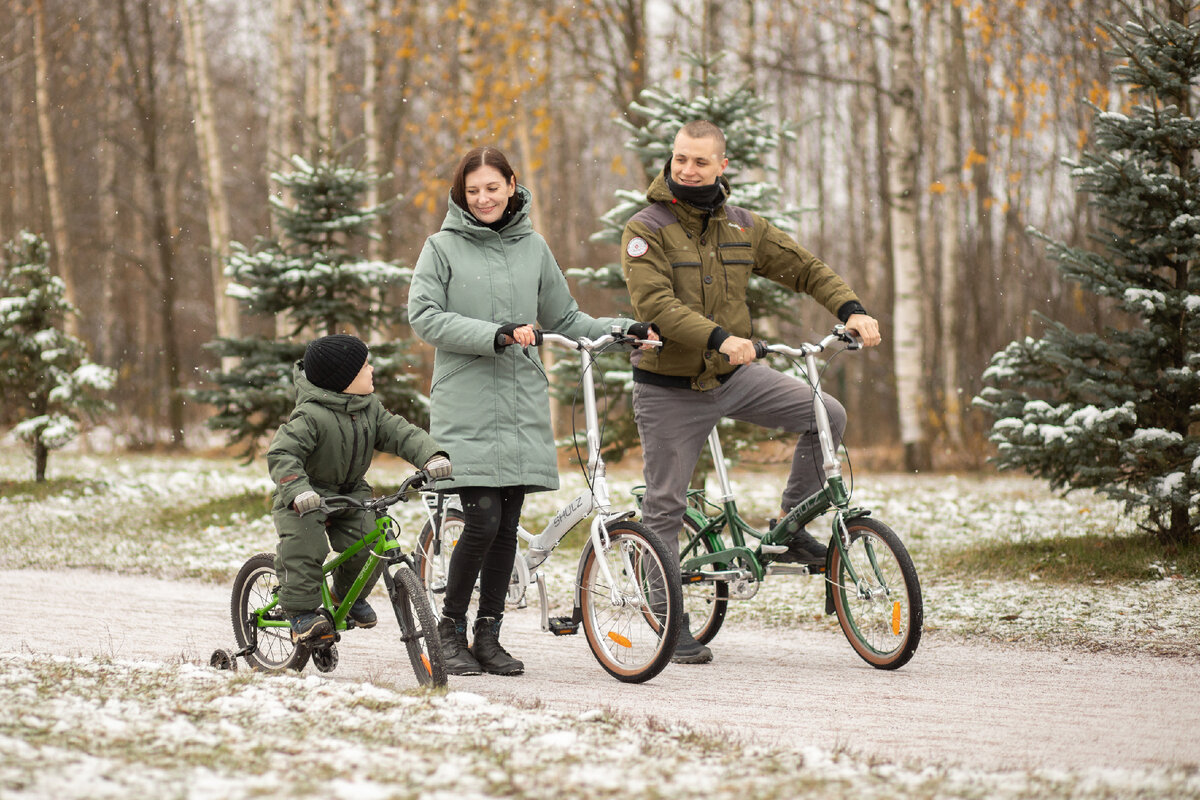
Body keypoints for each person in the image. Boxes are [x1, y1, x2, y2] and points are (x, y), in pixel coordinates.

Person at [621, 120, 882, 665]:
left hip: (734, 378)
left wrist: (851, 309)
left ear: (722, 165)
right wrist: (721, 337)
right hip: (670, 387)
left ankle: (789, 526)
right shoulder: (645, 227)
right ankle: (668, 615)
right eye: (679, 159)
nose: (686, 169)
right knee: (664, 504)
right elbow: (656, 306)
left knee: (825, 413)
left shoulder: (743, 227)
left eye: (699, 161)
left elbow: (806, 270)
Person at [408, 146, 657, 677]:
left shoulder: (534, 247)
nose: (483, 199)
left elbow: (564, 316)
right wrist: (492, 334)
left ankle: (488, 635)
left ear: (511, 185)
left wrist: (623, 329)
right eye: (473, 191)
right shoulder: (441, 247)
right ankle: (448, 630)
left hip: (521, 401)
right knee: (481, 521)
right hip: (465, 399)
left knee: (505, 527)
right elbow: (425, 317)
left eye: (492, 188)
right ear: (461, 194)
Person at [267, 333, 452, 644]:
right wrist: (297, 490)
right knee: (305, 547)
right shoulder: (310, 415)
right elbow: (283, 454)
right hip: (305, 495)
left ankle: (343, 597)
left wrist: (431, 455)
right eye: (365, 365)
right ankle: (300, 613)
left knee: (370, 539)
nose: (372, 369)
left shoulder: (369, 408)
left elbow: (400, 432)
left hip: (350, 493)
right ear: (344, 379)